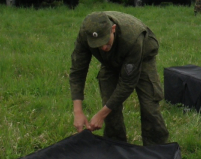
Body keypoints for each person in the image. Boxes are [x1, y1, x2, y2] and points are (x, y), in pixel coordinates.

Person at [70, 11, 169, 147]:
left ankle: (156, 150)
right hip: (110, 62)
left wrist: (100, 115)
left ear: (113, 29)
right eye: (98, 45)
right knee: (109, 105)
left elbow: (127, 83)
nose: (103, 47)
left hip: (142, 57)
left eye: (105, 41)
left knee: (149, 106)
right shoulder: (86, 33)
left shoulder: (132, 37)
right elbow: (77, 71)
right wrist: (78, 111)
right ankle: (116, 147)